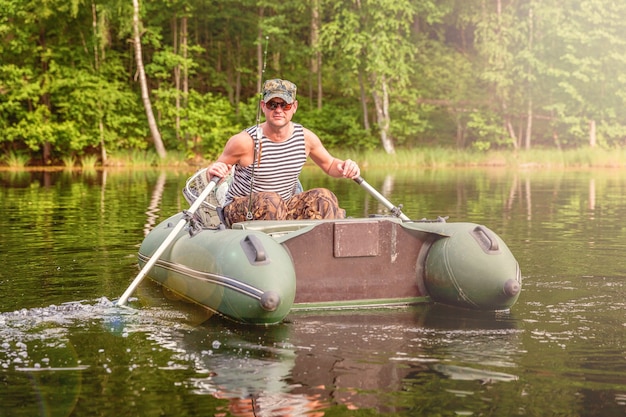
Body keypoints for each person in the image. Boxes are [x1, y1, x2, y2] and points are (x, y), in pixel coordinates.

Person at [207, 78, 361, 226]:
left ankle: (321, 247)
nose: (278, 110)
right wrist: (213, 171)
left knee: (324, 197)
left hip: (284, 207)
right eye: (272, 105)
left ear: (294, 107)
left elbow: (331, 165)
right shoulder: (244, 141)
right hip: (241, 210)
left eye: (285, 105)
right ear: (263, 106)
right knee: (271, 201)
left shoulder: (306, 138)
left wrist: (346, 166)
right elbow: (214, 175)